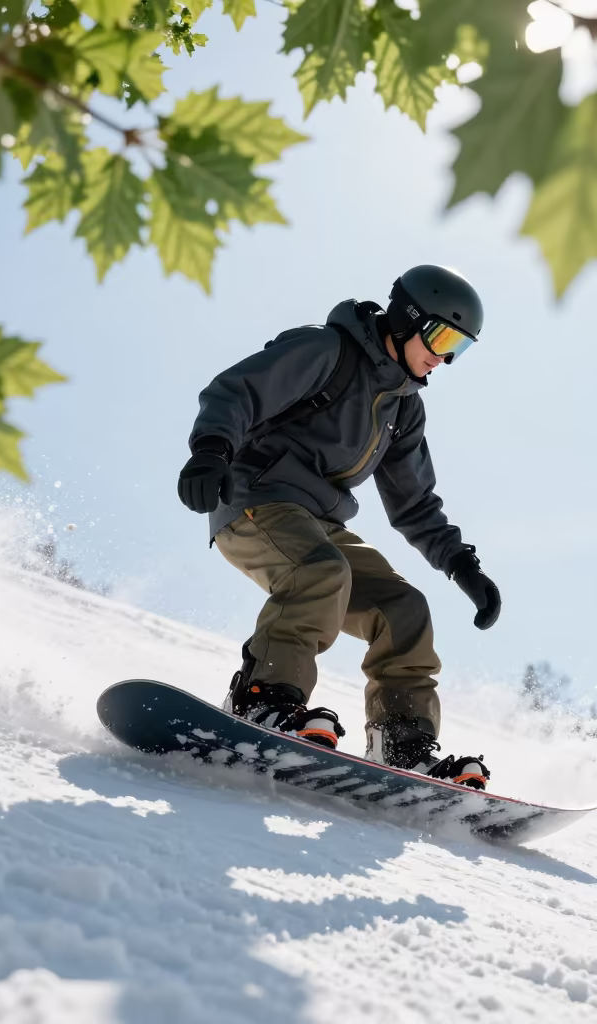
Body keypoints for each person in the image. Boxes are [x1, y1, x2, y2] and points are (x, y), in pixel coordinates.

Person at [177, 266, 501, 789]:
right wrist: (211, 449)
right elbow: (238, 390)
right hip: (253, 498)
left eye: (459, 349)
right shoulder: (326, 351)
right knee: (319, 571)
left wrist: (462, 564)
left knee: (404, 608)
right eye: (442, 338)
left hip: (319, 523)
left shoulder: (404, 408)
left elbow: (414, 502)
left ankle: (402, 741)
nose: (444, 358)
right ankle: (262, 698)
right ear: (407, 319)